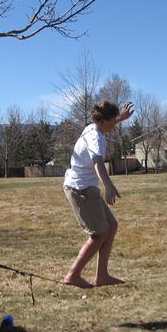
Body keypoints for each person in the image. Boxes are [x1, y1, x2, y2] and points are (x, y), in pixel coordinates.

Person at [63, 100, 134, 288]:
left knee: (111, 225)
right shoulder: (97, 138)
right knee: (99, 233)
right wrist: (109, 185)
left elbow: (107, 123)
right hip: (81, 189)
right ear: (105, 121)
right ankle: (73, 275)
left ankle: (101, 275)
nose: (114, 125)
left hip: (85, 186)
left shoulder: (93, 128)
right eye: (113, 121)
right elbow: (97, 162)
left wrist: (121, 118)